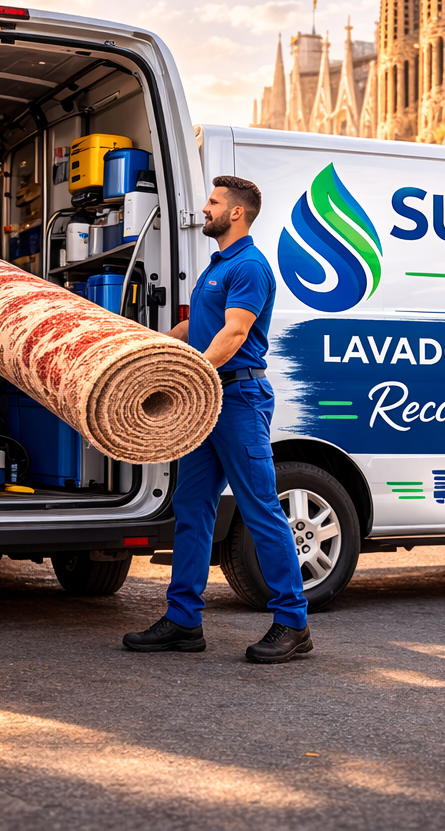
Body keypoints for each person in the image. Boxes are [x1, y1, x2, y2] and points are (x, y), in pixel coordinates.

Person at [123, 175, 311, 664]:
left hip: (239, 400)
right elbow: (197, 327)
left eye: (213, 203)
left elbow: (233, 333)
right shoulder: (217, 266)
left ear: (237, 213)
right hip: (212, 401)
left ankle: (293, 622)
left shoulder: (250, 265)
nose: (203, 209)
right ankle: (183, 619)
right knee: (192, 507)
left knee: (260, 509)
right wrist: (151, 347)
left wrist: (194, 379)